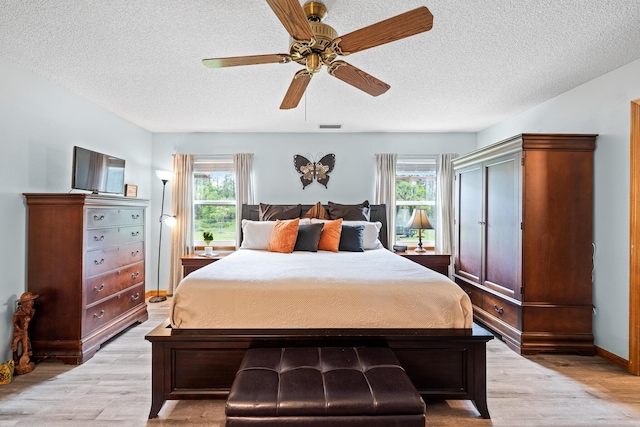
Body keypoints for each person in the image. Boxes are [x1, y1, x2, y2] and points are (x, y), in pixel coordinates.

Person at [11, 291, 39, 374]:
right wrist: (20, 330)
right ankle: (15, 361)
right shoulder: (18, 313)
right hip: (19, 332)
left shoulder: (31, 311)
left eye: (32, 301)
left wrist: (28, 319)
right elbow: (15, 323)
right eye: (30, 301)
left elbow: (30, 317)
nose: (32, 303)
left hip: (25, 331)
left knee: (27, 343)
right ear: (25, 303)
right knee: (15, 344)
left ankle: (26, 358)